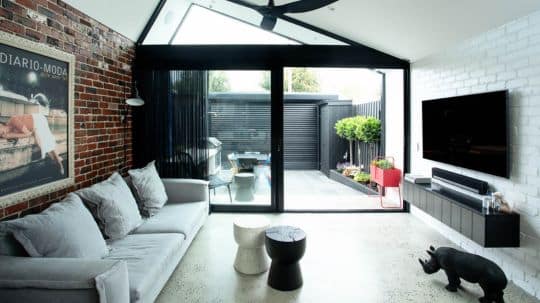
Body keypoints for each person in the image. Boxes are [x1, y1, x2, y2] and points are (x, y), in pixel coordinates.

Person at [0, 114, 64, 175]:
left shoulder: (13, 120)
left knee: (45, 141)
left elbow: (27, 134)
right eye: (0, 135)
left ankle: (58, 163)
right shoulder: (11, 132)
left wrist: (32, 132)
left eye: (1, 132)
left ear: (1, 125)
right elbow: (28, 134)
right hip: (35, 127)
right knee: (44, 142)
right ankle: (57, 162)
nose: (2, 134)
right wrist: (9, 135)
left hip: (38, 120)